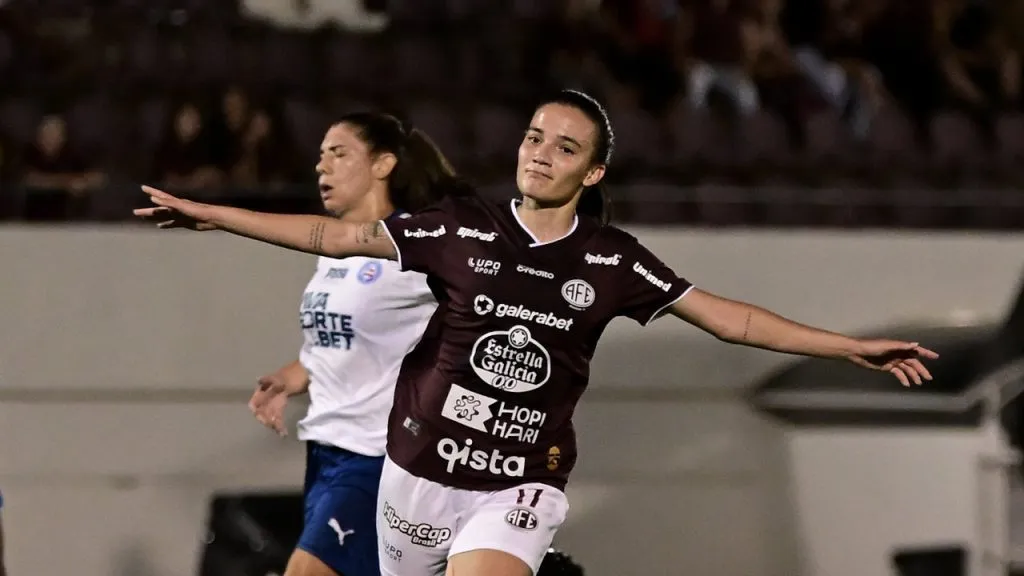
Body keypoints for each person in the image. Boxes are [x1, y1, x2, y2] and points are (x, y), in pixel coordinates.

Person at [134, 89, 938, 576]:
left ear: (591, 173)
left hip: (518, 482)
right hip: (414, 474)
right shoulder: (459, 228)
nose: (540, 154)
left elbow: (733, 319)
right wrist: (214, 215)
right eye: (532, 138)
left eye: (564, 147)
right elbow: (331, 237)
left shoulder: (611, 259)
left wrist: (850, 346)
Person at [246, 112, 467, 576]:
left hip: (379, 459)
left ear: (383, 165)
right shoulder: (335, 253)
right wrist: (288, 379)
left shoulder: (416, 245)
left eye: (338, 153)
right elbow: (339, 344)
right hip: (326, 453)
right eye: (321, 155)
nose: (321, 167)